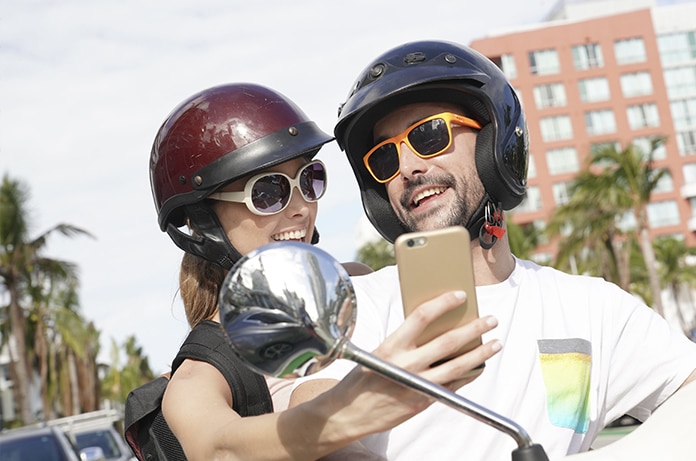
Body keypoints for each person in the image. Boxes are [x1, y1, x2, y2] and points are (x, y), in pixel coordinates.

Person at [290, 40, 696, 460]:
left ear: (494, 143)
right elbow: (316, 429)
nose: (408, 168)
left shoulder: (592, 308)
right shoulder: (358, 305)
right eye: (385, 158)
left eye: (429, 135)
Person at [141, 82, 501, 460]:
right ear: (204, 222)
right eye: (268, 191)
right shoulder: (204, 367)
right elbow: (217, 448)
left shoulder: (354, 284)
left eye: (309, 179)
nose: (301, 207)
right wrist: (347, 412)